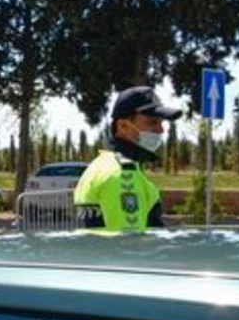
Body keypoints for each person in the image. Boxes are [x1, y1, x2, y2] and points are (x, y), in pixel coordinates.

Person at [73, 86, 181, 230]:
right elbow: (130, 247)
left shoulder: (100, 165)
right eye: (152, 122)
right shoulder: (123, 175)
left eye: (161, 123)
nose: (161, 130)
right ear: (123, 126)